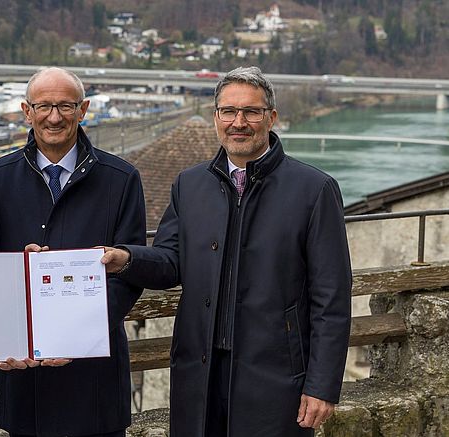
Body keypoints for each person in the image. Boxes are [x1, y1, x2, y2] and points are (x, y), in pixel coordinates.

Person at [101, 66, 352, 437]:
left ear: (271, 118)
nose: (240, 122)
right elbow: (171, 262)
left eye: (251, 111)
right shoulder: (190, 184)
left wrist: (321, 385)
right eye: (229, 111)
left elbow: (331, 297)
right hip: (199, 373)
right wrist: (126, 259)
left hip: (275, 376)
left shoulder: (314, 190)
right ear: (216, 117)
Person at [0, 67, 146, 437]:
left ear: (84, 108)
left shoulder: (121, 179)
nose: (54, 117)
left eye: (65, 106)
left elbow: (130, 272)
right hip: (25, 377)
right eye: (44, 106)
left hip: (95, 378)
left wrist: (77, 333)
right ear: (27, 111)